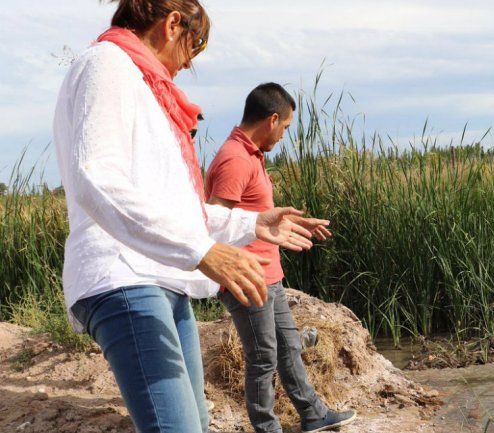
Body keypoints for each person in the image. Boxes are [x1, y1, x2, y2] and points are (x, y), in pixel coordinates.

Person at [53, 2, 318, 432]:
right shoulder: (108, 65)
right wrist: (202, 251)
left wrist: (251, 224)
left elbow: (175, 212)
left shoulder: (142, 84)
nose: (191, 61)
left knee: (195, 423)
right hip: (125, 278)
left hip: (162, 279)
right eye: (195, 45)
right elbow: (95, 180)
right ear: (172, 24)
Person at [205, 83, 357, 433]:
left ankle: (314, 414)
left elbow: (255, 214)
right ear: (272, 119)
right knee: (262, 358)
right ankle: (266, 428)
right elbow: (213, 221)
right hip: (247, 276)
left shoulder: (250, 155)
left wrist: (293, 221)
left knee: (289, 345)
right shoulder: (235, 159)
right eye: (286, 127)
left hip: (268, 274)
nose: (284, 135)